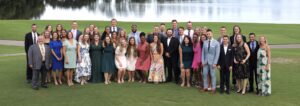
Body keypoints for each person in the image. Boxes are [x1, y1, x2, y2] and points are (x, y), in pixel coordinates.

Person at [201, 29, 220, 94]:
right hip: (205, 62)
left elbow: (217, 54)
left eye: (209, 34)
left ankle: (213, 89)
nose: (208, 35)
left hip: (212, 63)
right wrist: (203, 61)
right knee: (204, 74)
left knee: (213, 75)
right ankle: (205, 87)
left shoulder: (216, 43)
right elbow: (203, 52)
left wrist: (215, 63)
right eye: (207, 34)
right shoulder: (205, 42)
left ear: (212, 34)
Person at [230, 25, 246, 90]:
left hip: (241, 56)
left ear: (239, 30)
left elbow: (244, 46)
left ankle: (244, 86)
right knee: (234, 71)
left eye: (237, 29)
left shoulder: (243, 37)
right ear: (233, 30)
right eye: (235, 29)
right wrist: (232, 45)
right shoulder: (231, 37)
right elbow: (230, 46)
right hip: (234, 55)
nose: (236, 30)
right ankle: (235, 85)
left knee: (242, 71)